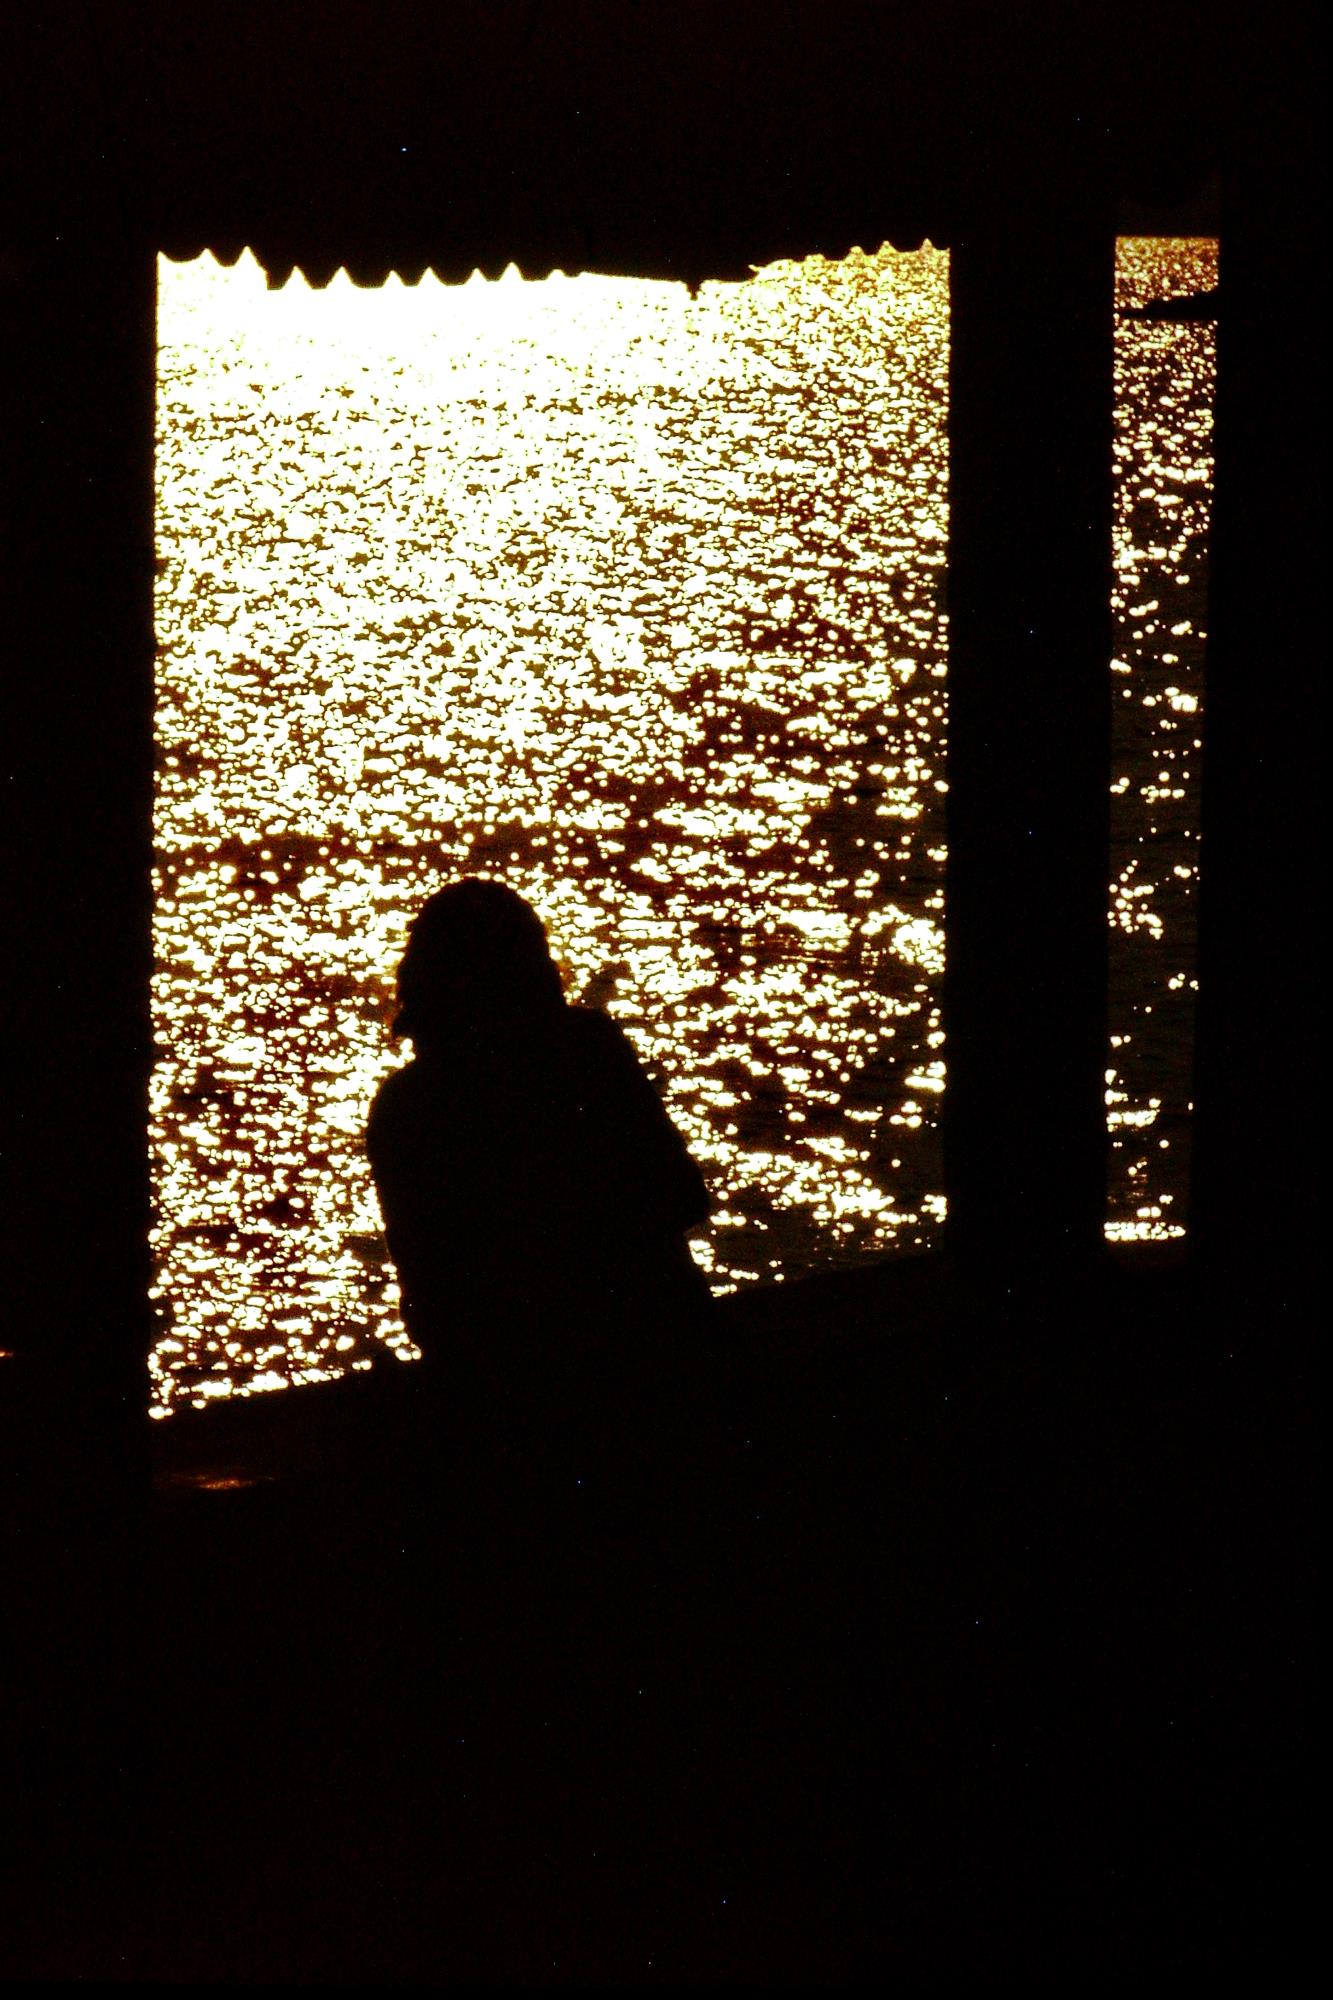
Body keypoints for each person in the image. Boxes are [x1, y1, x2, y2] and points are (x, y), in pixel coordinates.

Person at [366, 878, 714, 1504]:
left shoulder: (406, 1108)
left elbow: (435, 1294)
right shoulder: (591, 1051)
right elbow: (683, 1195)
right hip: (660, 1364)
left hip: (505, 1407)